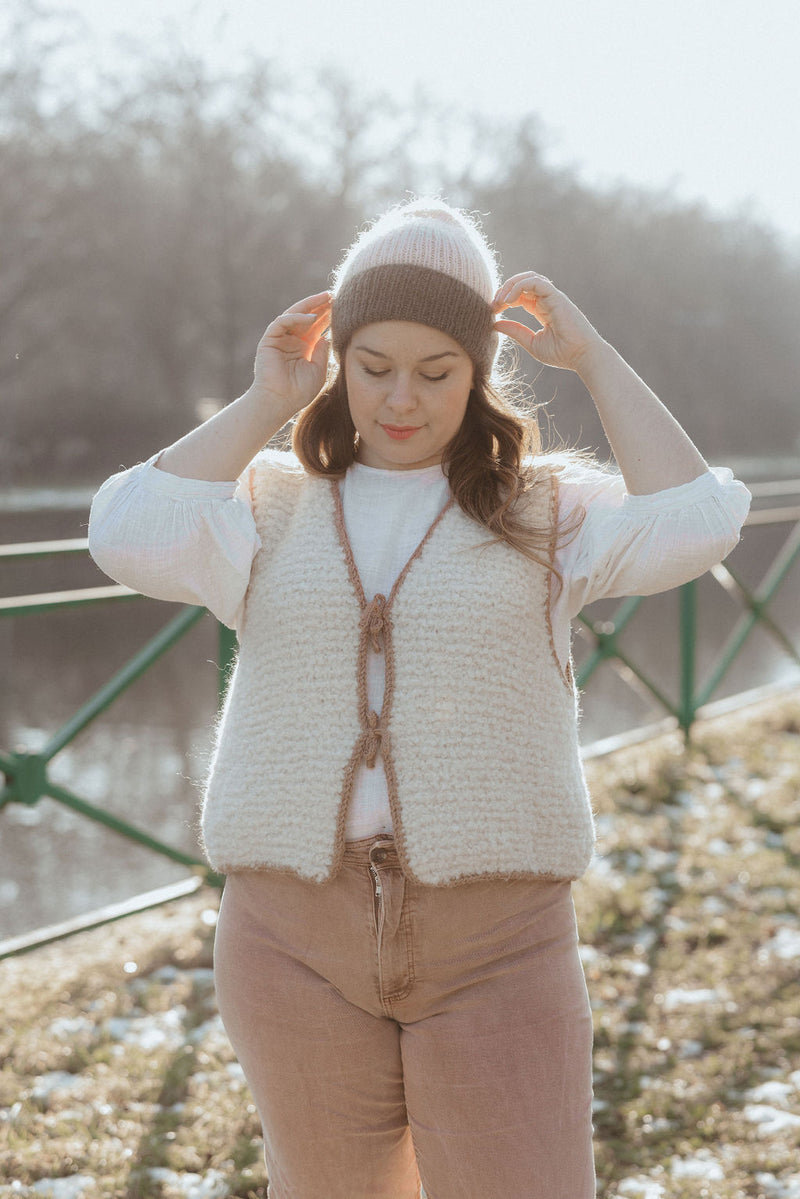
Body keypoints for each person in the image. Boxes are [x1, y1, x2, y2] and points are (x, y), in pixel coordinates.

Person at [88, 197, 751, 1199]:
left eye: (437, 370)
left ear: (479, 368)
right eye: (373, 366)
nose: (401, 397)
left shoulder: (546, 508)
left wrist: (596, 357)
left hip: (497, 941)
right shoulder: (263, 502)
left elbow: (697, 521)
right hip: (289, 937)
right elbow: (123, 533)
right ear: (338, 359)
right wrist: (267, 398)